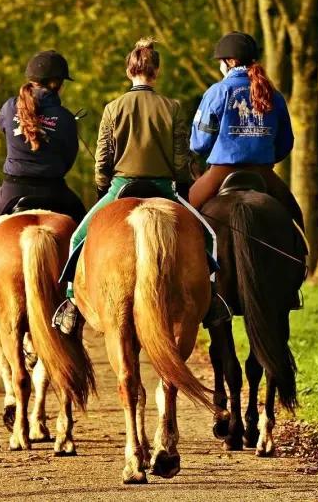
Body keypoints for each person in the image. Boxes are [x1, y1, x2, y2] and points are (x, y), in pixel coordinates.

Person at [53, 38, 222, 330]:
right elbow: (181, 158)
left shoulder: (113, 107)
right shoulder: (173, 107)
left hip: (121, 186)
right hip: (163, 188)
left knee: (78, 238)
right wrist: (181, 189)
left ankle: (70, 302)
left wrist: (102, 188)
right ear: (155, 72)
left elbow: (103, 157)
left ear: (129, 71)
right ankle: (212, 298)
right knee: (208, 238)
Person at [0, 50, 87, 308]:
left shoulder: (10, 107)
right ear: (56, 83)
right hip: (55, 191)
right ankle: (80, 288)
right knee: (86, 229)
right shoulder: (64, 117)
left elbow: (2, 127)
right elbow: (69, 159)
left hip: (12, 190)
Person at [188, 32, 304, 229]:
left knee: (185, 216)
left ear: (231, 62)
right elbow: (285, 143)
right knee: (296, 220)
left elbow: (200, 142)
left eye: (221, 61)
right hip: (263, 171)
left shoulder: (217, 91)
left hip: (221, 171)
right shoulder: (274, 95)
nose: (220, 66)